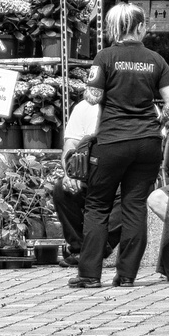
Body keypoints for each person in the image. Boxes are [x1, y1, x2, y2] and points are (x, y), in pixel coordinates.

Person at [70, 3, 169, 288]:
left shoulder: (105, 56)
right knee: (134, 206)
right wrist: (158, 126)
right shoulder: (156, 59)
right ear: (142, 27)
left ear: (113, 28)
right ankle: (127, 275)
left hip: (112, 142)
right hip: (147, 143)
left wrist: (93, 87)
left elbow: (93, 97)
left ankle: (90, 275)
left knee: (97, 206)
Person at [51, 88, 120, 265]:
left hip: (121, 177)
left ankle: (99, 247)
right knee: (62, 189)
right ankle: (79, 247)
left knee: (132, 195)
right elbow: (71, 143)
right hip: (88, 176)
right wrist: (70, 173)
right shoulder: (84, 108)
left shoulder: (135, 107)